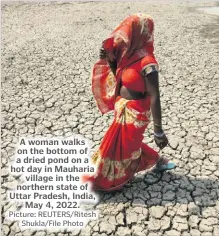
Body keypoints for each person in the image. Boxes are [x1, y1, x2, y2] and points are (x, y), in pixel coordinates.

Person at [83, 13, 175, 192]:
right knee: (126, 143)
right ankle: (159, 161)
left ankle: (106, 180)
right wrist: (110, 59)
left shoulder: (148, 62)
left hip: (136, 112)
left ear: (140, 34)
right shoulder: (128, 55)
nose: (126, 35)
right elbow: (118, 75)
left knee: (121, 147)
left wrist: (158, 130)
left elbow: (155, 97)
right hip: (122, 107)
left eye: (131, 31)